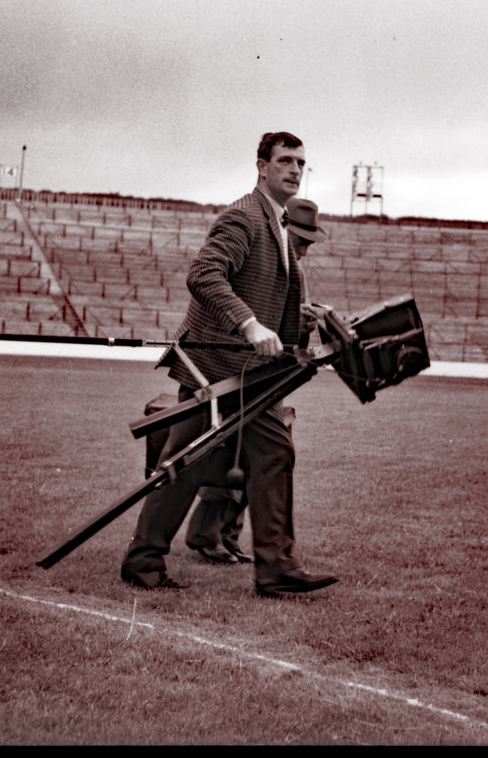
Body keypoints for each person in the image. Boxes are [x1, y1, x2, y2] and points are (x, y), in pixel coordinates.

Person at [120, 134, 338, 596]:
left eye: (302, 163)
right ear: (262, 167)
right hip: (214, 366)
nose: (295, 170)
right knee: (186, 461)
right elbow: (203, 275)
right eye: (285, 161)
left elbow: (270, 308)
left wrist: (299, 323)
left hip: (248, 375)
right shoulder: (243, 216)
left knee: (267, 452)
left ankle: (274, 568)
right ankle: (144, 559)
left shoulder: (279, 226)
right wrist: (249, 325)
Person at [184, 197, 330, 565]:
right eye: (301, 241)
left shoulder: (294, 271)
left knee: (260, 457)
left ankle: (226, 535)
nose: (305, 251)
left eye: (310, 244)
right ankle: (205, 534)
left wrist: (305, 325)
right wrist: (251, 326)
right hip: (225, 368)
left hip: (262, 377)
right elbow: (214, 289)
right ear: (284, 231)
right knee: (226, 455)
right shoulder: (252, 238)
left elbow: (289, 339)